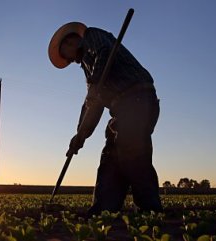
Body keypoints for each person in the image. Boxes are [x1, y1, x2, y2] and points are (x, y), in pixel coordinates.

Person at [48, 22, 163, 216]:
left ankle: (150, 211)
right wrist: (80, 135)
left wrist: (94, 85)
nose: (70, 61)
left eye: (66, 55)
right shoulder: (87, 67)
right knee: (111, 156)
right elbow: (93, 104)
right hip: (121, 109)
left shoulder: (93, 37)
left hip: (138, 98)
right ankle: (104, 210)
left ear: (70, 42)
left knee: (132, 150)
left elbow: (105, 51)